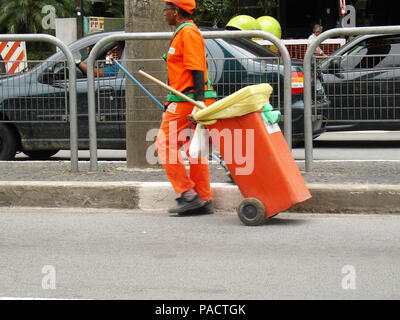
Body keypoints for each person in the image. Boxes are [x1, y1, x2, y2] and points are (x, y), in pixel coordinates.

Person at [157, 0, 217, 215]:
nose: (164, 14)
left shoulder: (188, 32)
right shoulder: (183, 32)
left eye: (166, 10)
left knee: (163, 143)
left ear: (176, 12)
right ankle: (203, 198)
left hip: (189, 100)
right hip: (188, 99)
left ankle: (188, 194)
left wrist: (198, 105)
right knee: (195, 150)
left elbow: (197, 69)